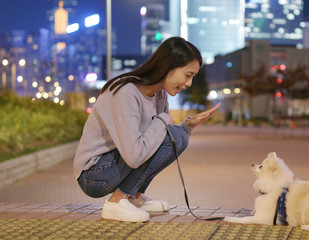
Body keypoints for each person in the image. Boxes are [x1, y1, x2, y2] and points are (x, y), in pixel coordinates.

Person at [73, 37, 221, 222]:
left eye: (193, 77)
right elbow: (134, 155)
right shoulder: (125, 92)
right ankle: (117, 201)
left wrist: (187, 126)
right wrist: (163, 120)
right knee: (172, 136)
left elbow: (162, 135)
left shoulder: (160, 95)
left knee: (180, 136)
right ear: (168, 67)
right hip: (94, 173)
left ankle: (133, 197)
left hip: (117, 163)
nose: (189, 83)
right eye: (187, 75)